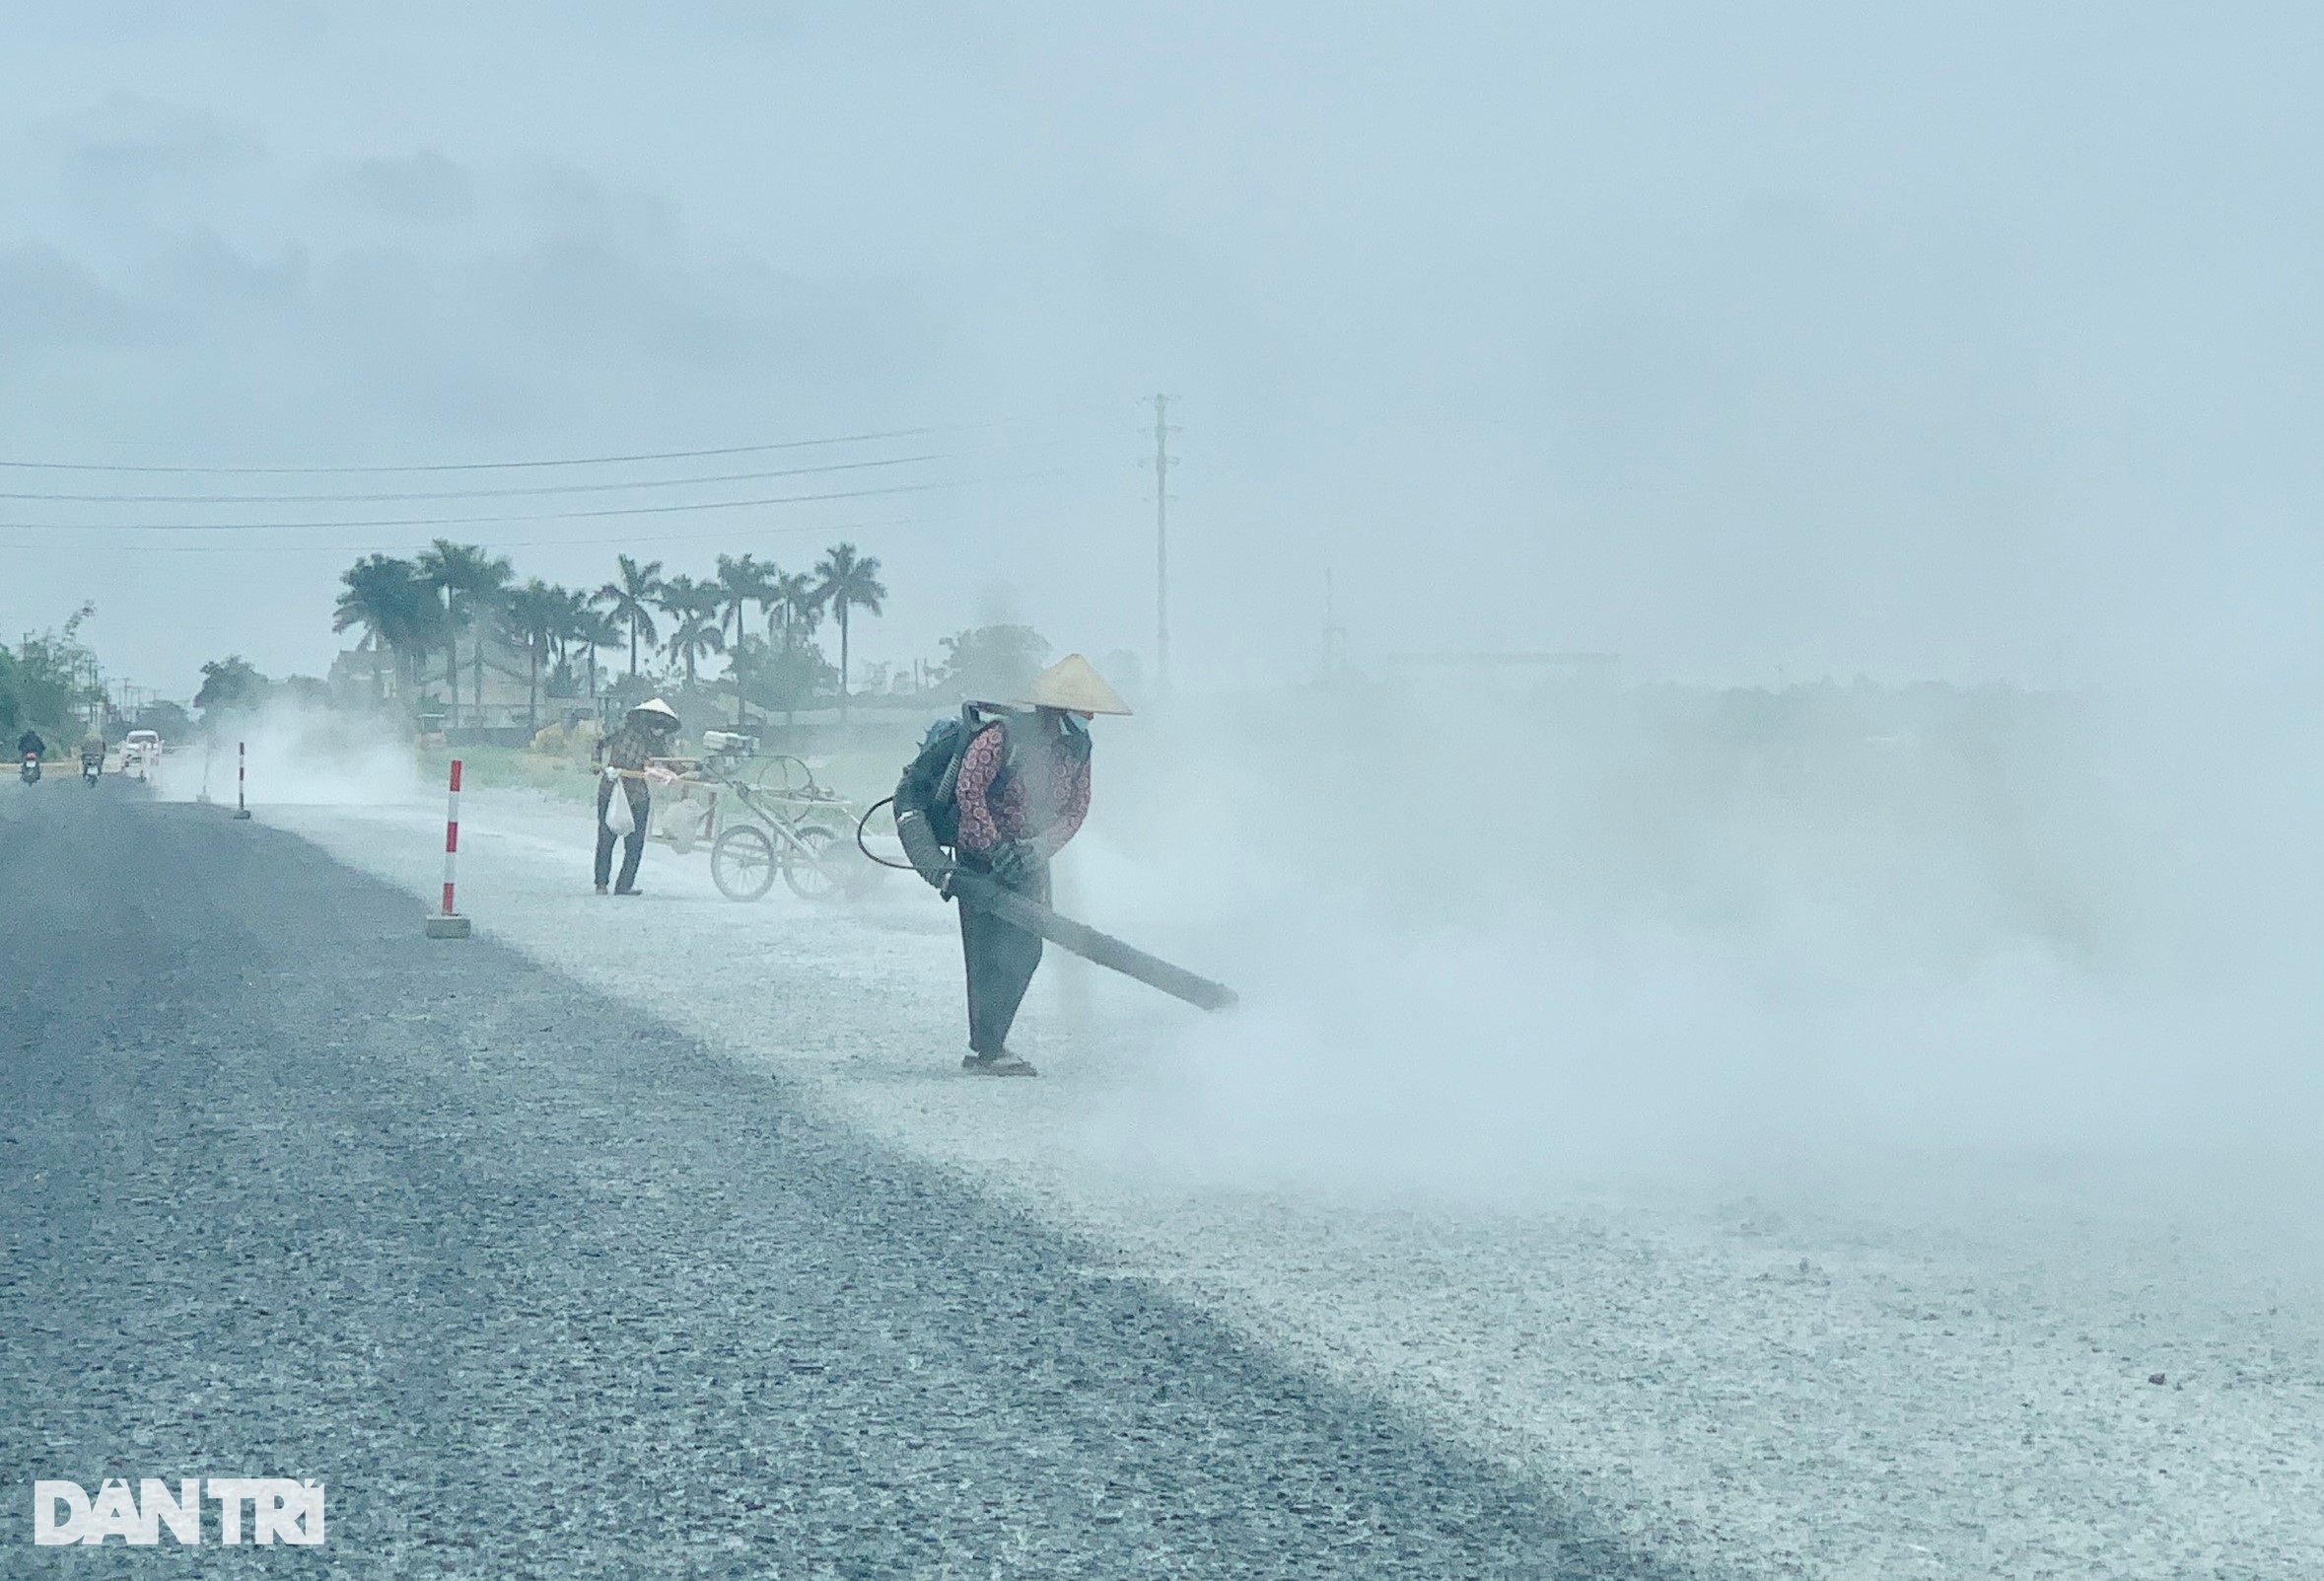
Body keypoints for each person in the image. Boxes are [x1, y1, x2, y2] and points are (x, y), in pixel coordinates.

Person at [893, 654, 1132, 1077]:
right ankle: (987, 1049)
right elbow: (970, 791)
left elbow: (1076, 810)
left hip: (1029, 860)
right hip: (979, 859)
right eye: (1081, 711)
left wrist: (1036, 849)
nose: (1087, 719)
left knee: (1026, 950)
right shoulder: (1002, 737)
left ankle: (992, 1042)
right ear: (1057, 710)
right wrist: (994, 847)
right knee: (986, 951)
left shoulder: (1079, 750)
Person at [592, 698, 681, 896]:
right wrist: (596, 764)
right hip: (612, 787)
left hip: (637, 793)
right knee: (607, 837)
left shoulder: (655, 742)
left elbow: (669, 762)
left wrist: (685, 772)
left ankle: (624, 885)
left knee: (635, 842)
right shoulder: (621, 731)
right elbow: (598, 743)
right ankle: (601, 883)